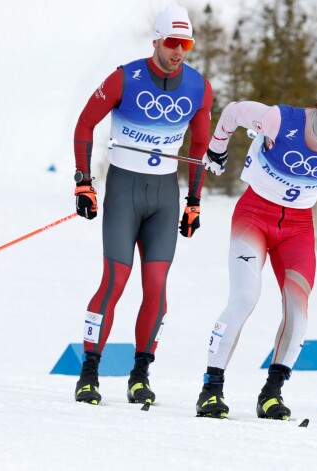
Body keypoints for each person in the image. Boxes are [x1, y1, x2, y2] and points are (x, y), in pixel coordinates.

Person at [196, 63, 317, 420]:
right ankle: (211, 389)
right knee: (245, 297)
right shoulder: (281, 121)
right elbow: (232, 112)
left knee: (299, 310)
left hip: (298, 227)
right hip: (255, 216)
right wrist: (217, 150)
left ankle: (271, 393)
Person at [72, 4, 213, 407]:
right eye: (172, 42)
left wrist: (194, 202)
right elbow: (85, 124)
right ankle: (89, 373)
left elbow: (199, 148)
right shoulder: (124, 77)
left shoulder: (199, 87)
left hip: (164, 198)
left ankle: (140, 374)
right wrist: (84, 182)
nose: (179, 51)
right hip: (123, 191)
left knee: (155, 286)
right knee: (114, 281)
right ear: (156, 40)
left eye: (185, 43)